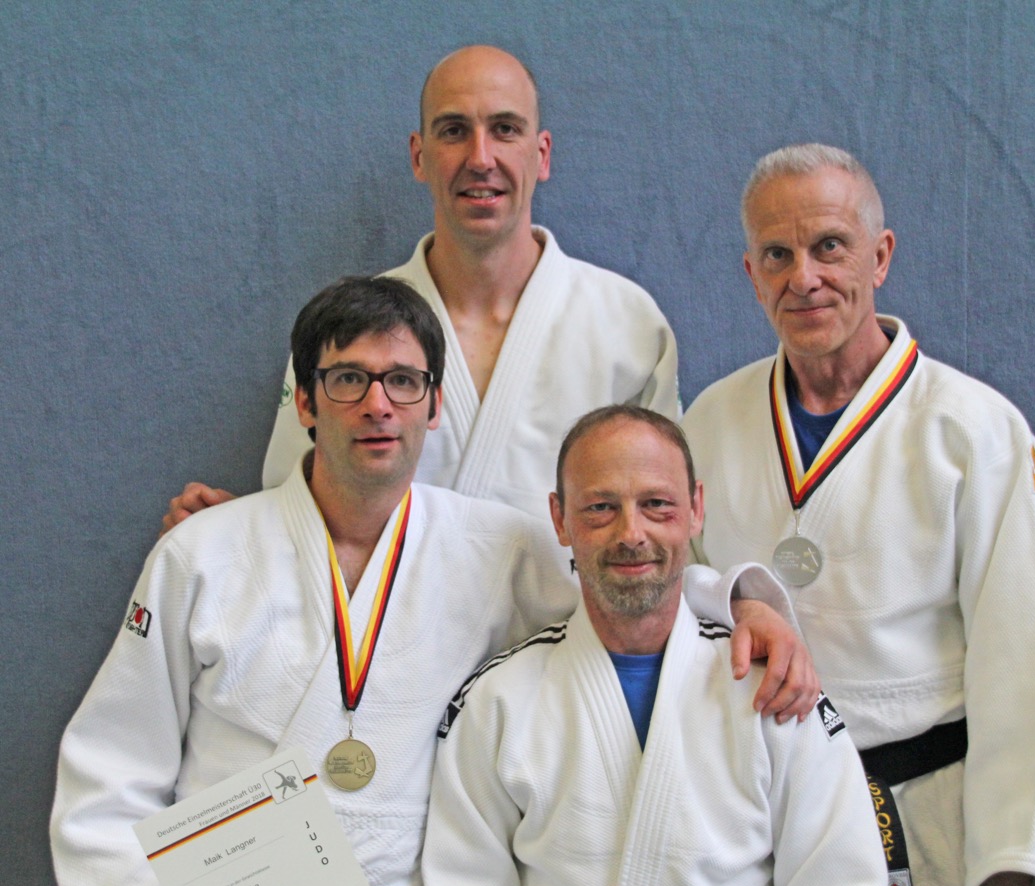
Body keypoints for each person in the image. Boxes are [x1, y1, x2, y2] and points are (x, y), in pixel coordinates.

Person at [50, 277, 804, 886]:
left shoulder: (497, 547)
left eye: (404, 381)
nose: (378, 405)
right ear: (305, 402)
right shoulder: (201, 554)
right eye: (348, 378)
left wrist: (740, 602)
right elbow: (113, 761)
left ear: (434, 405)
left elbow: (628, 586)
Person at [681, 144, 1035, 886]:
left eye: (828, 246)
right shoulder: (709, 422)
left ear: (880, 256)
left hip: (935, 825)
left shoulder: (975, 432)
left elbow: (1028, 674)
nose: (803, 278)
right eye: (776, 255)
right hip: (765, 819)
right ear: (750, 274)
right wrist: (736, 597)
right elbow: (667, 587)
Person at [423, 406, 889, 886]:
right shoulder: (496, 702)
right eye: (600, 507)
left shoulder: (775, 690)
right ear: (560, 519)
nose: (631, 533)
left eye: (657, 504)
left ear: (695, 509)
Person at [165, 44, 679, 534]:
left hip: (565, 601)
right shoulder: (344, 327)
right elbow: (294, 507)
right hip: (384, 602)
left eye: (505, 129)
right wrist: (234, 532)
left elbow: (668, 524)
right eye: (454, 131)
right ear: (419, 156)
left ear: (541, 155)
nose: (481, 158)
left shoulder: (629, 324)